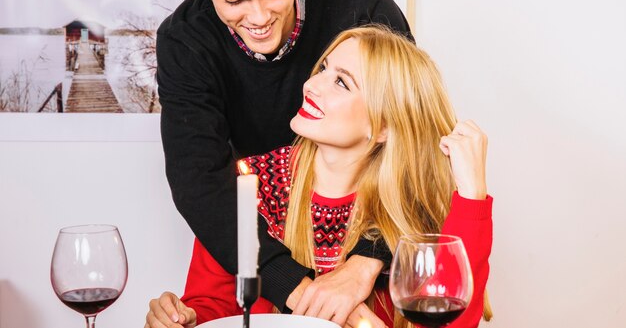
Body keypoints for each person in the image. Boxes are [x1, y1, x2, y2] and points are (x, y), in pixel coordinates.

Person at [156, 0, 412, 323]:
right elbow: (197, 179)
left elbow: (412, 138)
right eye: (232, 0)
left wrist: (368, 260)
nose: (257, 18)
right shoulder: (186, 40)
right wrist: (304, 294)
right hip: (257, 231)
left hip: (370, 220)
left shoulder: (363, 6)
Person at [147, 25, 493, 328]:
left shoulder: (416, 210)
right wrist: (186, 317)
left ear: (384, 125)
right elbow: (216, 306)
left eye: (341, 82)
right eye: (323, 68)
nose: (311, 84)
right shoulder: (247, 184)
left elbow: (451, 322)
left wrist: (473, 196)